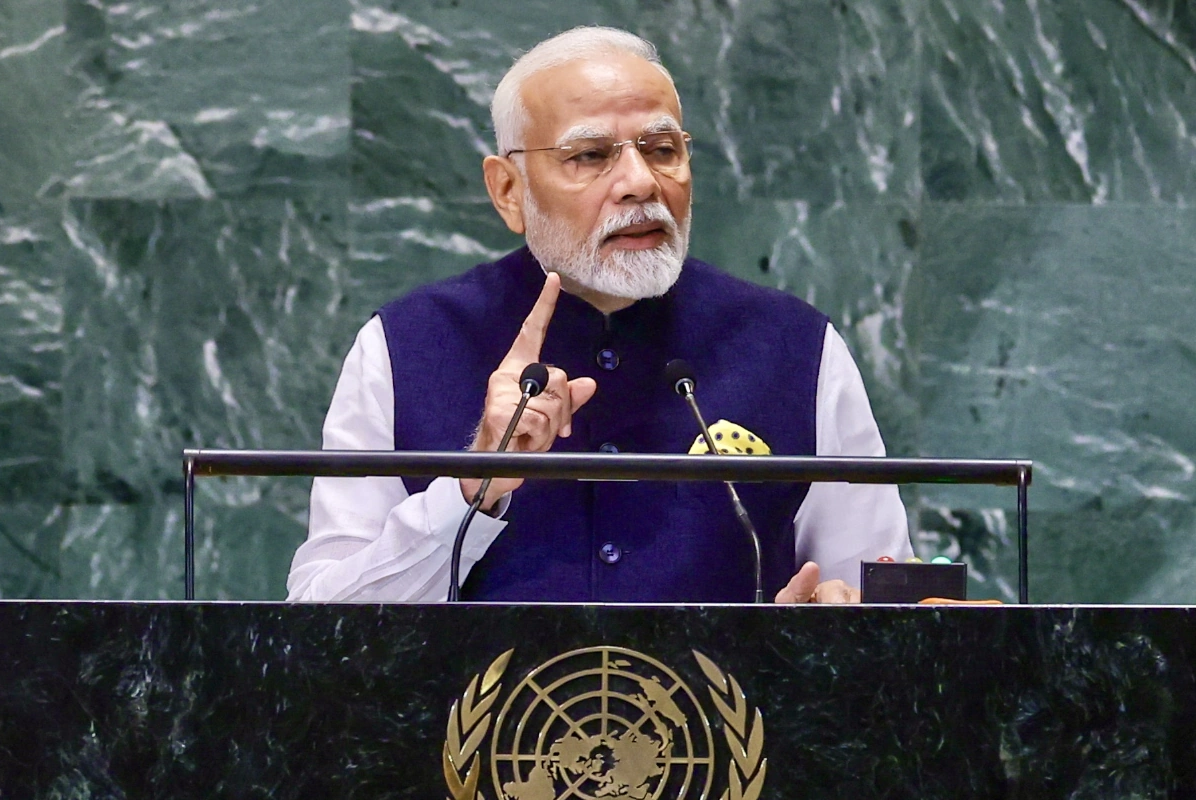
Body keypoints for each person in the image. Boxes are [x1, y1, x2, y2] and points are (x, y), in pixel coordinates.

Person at [287, 26, 912, 604]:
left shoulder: (795, 349)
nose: (640, 182)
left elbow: (882, 600)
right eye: (590, 156)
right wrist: (469, 491)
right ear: (509, 190)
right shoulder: (404, 346)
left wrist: (826, 634)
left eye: (662, 148)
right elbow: (321, 628)